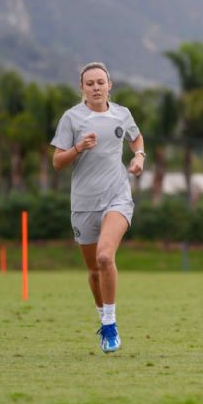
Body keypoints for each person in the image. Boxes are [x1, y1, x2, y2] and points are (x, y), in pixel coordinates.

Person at [51, 62, 145, 353]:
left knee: (106, 256)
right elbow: (57, 162)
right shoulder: (71, 118)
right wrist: (78, 147)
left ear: (109, 85)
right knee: (94, 270)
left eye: (100, 82)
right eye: (89, 83)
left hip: (117, 196)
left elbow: (136, 138)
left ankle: (111, 323)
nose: (95, 87)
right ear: (82, 88)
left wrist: (139, 156)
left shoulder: (122, 114)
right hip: (83, 204)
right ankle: (103, 320)